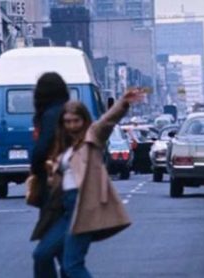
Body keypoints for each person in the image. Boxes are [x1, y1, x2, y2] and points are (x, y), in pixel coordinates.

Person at [32, 87, 143, 278]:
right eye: (67, 122)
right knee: (42, 255)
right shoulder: (63, 144)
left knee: (72, 265)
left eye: (76, 121)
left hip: (83, 207)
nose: (72, 125)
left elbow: (108, 121)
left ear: (84, 121)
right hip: (64, 209)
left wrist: (123, 103)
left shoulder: (93, 137)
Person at [30, 72, 70, 278]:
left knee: (44, 254)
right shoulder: (67, 112)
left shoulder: (51, 114)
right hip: (67, 189)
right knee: (65, 257)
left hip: (56, 191)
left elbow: (40, 150)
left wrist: (36, 169)